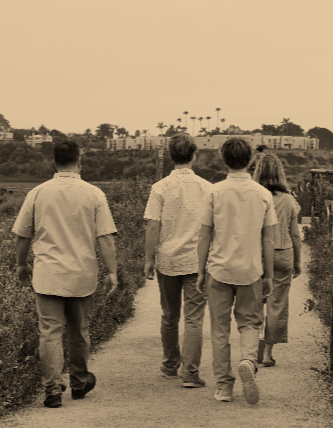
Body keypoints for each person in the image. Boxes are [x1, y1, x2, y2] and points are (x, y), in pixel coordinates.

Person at [12, 140, 119, 409]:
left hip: (48, 274)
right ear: (79, 161)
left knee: (50, 332)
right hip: (82, 274)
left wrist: (22, 264)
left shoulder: (37, 193)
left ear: (54, 162)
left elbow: (23, 235)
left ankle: (52, 388)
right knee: (79, 331)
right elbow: (105, 237)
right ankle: (79, 381)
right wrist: (112, 271)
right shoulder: (94, 194)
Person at [197, 138, 277, 405]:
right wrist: (269, 275)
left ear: (224, 159)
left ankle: (224, 387)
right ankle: (248, 360)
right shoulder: (263, 194)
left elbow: (204, 235)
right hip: (250, 270)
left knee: (219, 330)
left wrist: (200, 271)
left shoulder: (214, 192)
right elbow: (268, 239)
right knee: (250, 323)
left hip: (219, 269)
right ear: (251, 160)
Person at [143, 134, 211, 388]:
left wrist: (149, 259)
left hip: (167, 260)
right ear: (194, 156)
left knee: (170, 315)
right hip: (197, 261)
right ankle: (190, 373)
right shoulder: (207, 188)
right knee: (194, 319)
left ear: (172, 156)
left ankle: (170, 364)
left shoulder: (160, 188)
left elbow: (153, 226)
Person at [251, 153, 302, 367]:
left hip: (257, 254)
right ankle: (267, 354)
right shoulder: (289, 200)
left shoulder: (254, 196)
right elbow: (295, 234)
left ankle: (252, 350)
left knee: (254, 303)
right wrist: (298, 262)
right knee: (277, 304)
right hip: (282, 254)